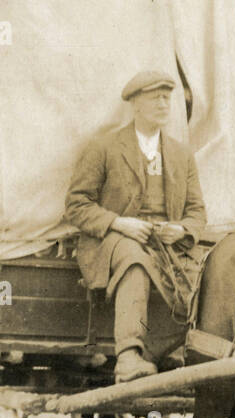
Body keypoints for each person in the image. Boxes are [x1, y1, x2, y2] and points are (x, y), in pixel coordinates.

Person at [64, 70, 207, 381]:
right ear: (135, 105)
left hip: (165, 245)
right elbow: (77, 205)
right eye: (154, 97)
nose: (162, 103)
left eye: (166, 98)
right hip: (111, 242)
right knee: (135, 260)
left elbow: (196, 212)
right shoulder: (104, 147)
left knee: (202, 279)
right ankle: (128, 356)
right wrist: (119, 223)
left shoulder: (182, 155)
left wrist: (181, 229)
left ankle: (166, 352)